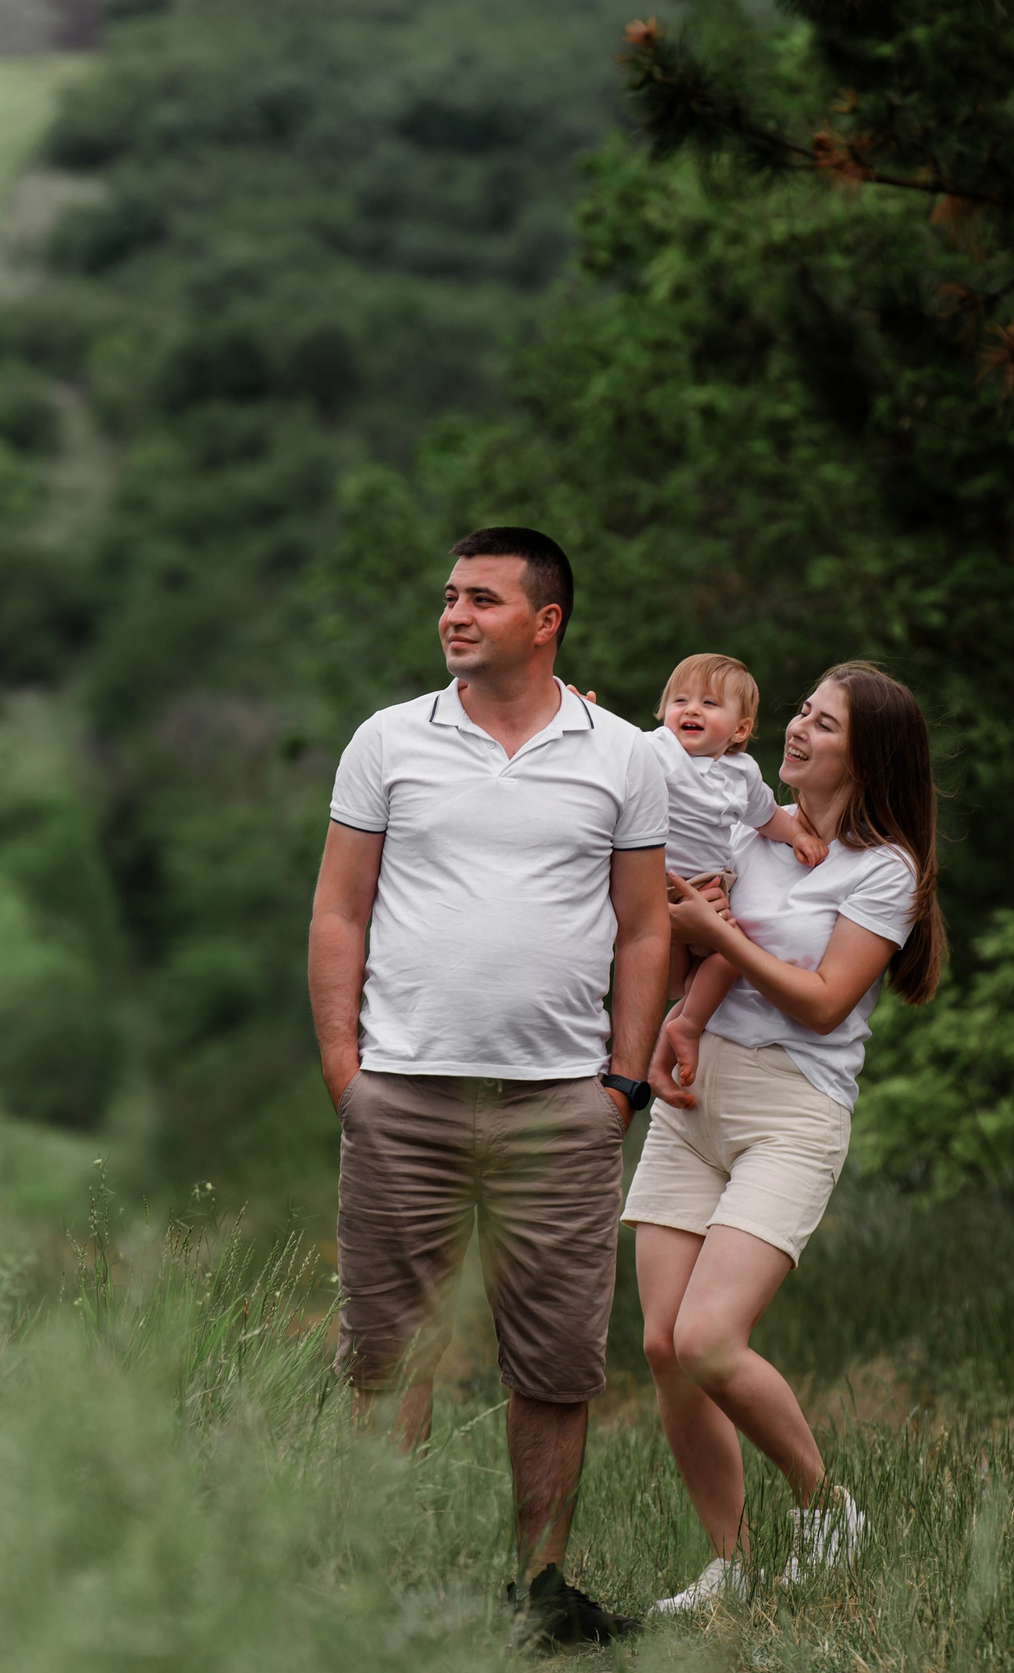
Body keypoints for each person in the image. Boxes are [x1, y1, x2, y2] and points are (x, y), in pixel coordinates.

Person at [305, 526, 671, 1647]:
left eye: (481, 598)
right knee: (388, 1350)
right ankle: (373, 1586)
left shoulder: (623, 754)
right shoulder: (387, 739)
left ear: (545, 620)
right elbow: (339, 909)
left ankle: (541, 1595)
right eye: (449, 596)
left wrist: (622, 1081)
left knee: (556, 1360)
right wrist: (347, 1073)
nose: (453, 615)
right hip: (403, 1094)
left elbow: (646, 928)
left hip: (560, 1102)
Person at [625, 661, 947, 1616]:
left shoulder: (885, 869)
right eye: (801, 711)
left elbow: (821, 1001)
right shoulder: (751, 831)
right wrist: (681, 1012)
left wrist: (715, 935)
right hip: (696, 1097)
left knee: (709, 1338)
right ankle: (729, 1564)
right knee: (662, 1345)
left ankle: (827, 1509)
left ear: (869, 756)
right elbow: (702, 941)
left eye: (824, 723)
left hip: (792, 1113)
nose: (797, 729)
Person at [646, 652, 827, 996]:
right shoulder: (660, 748)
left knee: (729, 957)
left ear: (740, 729)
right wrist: (587, 720)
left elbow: (768, 817)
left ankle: (688, 1020)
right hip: (654, 880)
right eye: (680, 700)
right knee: (665, 965)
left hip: (708, 886)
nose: (691, 709)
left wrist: (798, 836)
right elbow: (615, 751)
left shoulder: (742, 771)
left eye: (709, 703)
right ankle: (678, 1017)